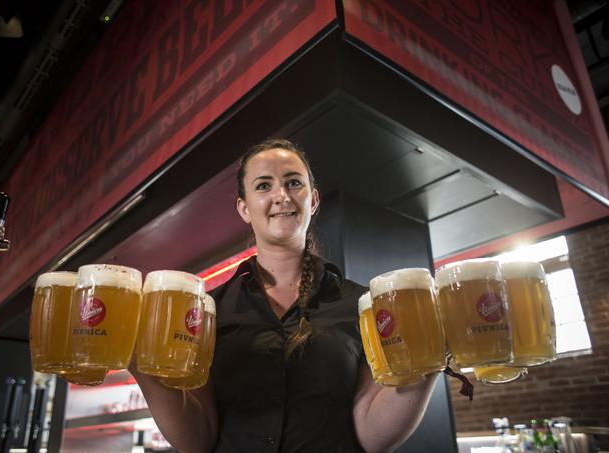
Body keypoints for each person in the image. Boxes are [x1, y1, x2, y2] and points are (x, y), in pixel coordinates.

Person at [131, 138, 438, 453]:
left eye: (294, 183)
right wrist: (140, 365)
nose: (281, 195)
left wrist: (426, 367)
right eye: (263, 186)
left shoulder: (362, 304)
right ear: (244, 208)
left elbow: (370, 435)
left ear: (313, 201)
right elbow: (199, 439)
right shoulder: (209, 309)